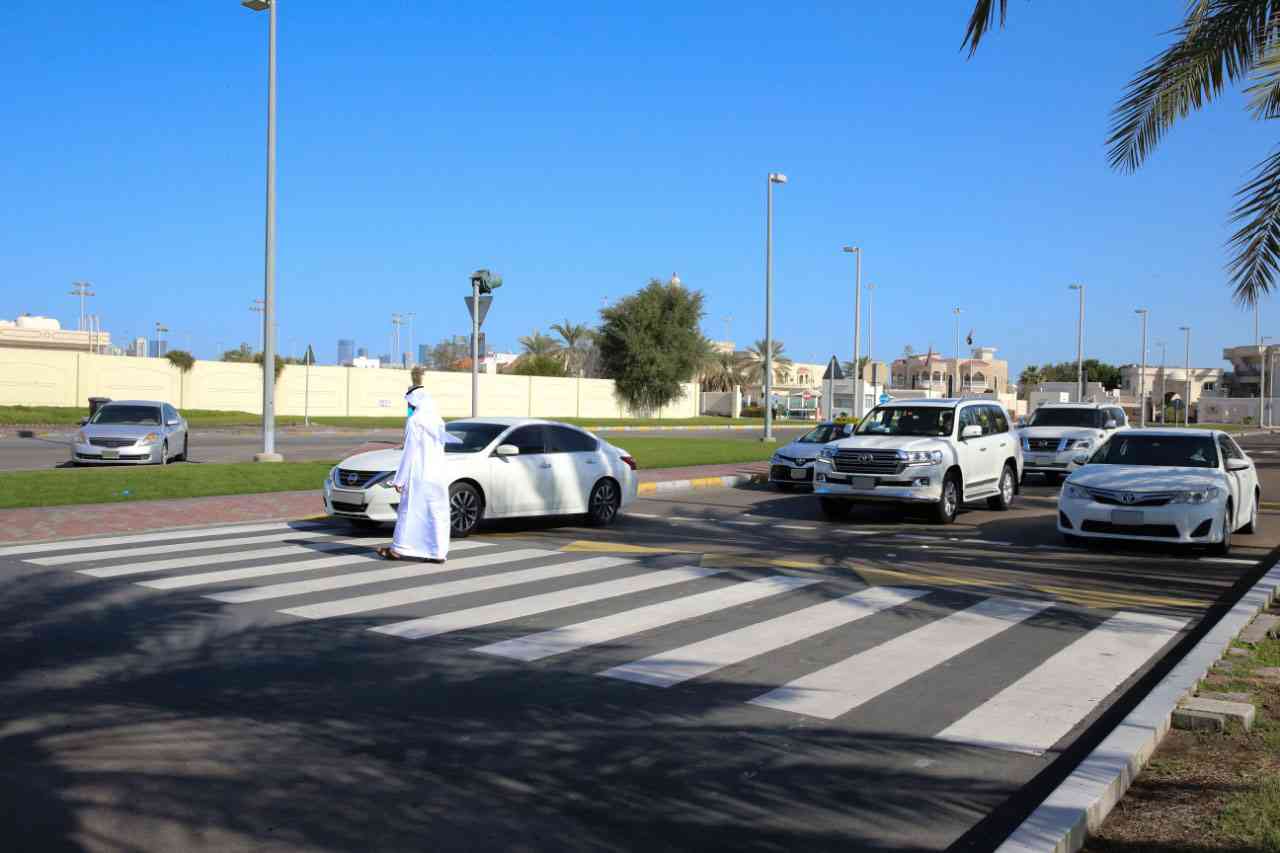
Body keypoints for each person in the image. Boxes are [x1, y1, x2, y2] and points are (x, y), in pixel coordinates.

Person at [376, 386, 457, 562]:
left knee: (408, 511)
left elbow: (409, 452)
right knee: (435, 514)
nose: (409, 407)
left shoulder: (415, 421)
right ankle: (437, 553)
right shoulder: (438, 420)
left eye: (410, 403)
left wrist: (399, 479)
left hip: (419, 474)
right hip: (437, 474)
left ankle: (398, 549)